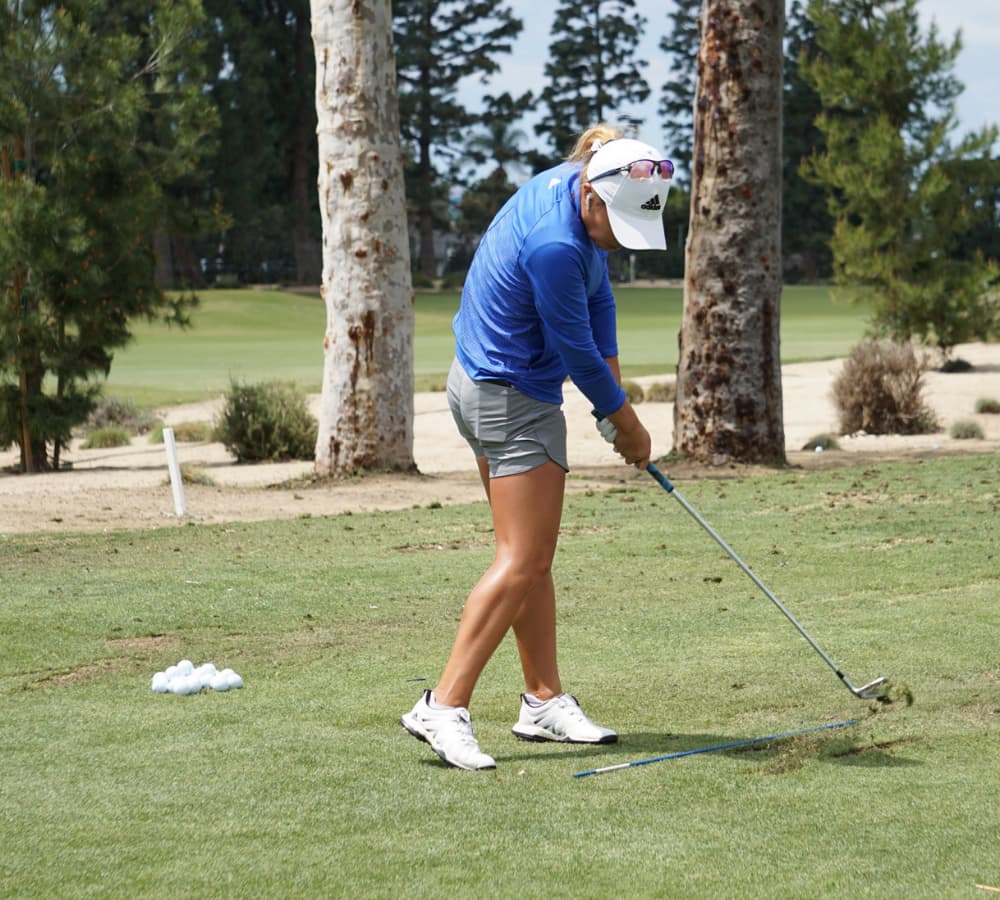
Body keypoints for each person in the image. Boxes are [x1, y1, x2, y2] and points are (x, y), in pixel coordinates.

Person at [401, 125, 674, 770]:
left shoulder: (573, 190)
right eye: (616, 227)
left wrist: (616, 406)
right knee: (522, 560)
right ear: (594, 198)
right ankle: (441, 707)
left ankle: (542, 700)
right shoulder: (556, 244)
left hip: (477, 384)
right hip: (511, 399)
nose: (617, 242)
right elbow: (576, 349)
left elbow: (598, 299)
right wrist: (624, 419)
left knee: (530, 556)